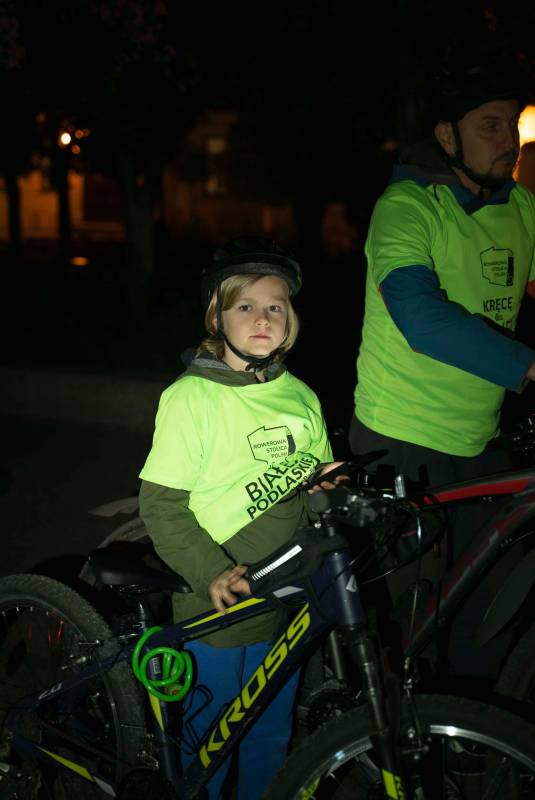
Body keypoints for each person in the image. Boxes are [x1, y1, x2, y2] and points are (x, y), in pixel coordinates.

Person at [350, 55, 535, 682]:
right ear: (447, 136)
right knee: (414, 625)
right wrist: (528, 366)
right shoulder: (406, 207)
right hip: (400, 443)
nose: (508, 141)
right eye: (490, 126)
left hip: (479, 440)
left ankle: (472, 726)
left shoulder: (520, 208)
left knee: (486, 609)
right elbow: (420, 317)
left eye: (512, 125)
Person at [138, 236, 343, 800]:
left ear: (291, 320)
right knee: (211, 741)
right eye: (245, 306)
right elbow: (161, 504)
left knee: (271, 734)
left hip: (286, 591)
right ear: (217, 316)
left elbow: (311, 485)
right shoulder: (192, 398)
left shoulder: (301, 396)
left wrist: (326, 487)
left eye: (275, 306)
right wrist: (211, 571)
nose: (262, 318)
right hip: (220, 600)